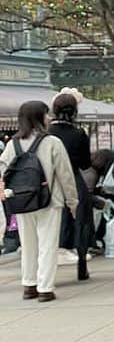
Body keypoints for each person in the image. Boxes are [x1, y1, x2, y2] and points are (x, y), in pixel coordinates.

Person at [0, 99, 79, 301]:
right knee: (48, 244)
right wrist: (72, 202)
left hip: (21, 202)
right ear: (38, 117)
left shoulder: (12, 144)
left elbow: (3, 172)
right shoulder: (52, 143)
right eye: (46, 114)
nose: (50, 117)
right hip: (49, 201)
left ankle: (29, 285)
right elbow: (65, 175)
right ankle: (45, 288)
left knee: (28, 245)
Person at [49, 91, 94, 281]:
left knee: (51, 225)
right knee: (81, 221)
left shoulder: (47, 133)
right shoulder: (79, 133)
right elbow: (86, 163)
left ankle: (45, 270)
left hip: (51, 181)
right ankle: (82, 262)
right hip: (75, 180)